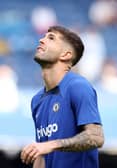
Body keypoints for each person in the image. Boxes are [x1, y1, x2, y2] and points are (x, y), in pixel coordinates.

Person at [20, 25, 104, 168]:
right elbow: (42, 154)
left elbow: (96, 137)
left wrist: (52, 145)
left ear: (66, 55)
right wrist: (41, 149)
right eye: (44, 36)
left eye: (51, 38)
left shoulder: (77, 86)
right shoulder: (36, 100)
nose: (41, 40)